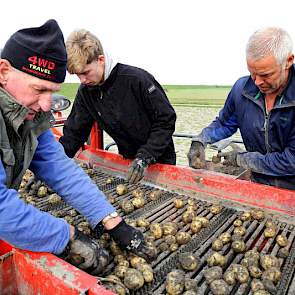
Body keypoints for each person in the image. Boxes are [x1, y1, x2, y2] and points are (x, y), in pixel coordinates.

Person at [0, 19, 154, 275]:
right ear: (3, 71)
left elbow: (59, 166)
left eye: (53, 91)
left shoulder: (30, 114)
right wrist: (67, 236)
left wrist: (110, 220)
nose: (47, 105)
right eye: (39, 89)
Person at [59, 29, 176, 184]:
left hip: (159, 161)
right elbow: (74, 133)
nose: (82, 80)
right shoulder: (86, 92)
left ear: (100, 60)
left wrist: (145, 156)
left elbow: (166, 119)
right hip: (127, 162)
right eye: (78, 75)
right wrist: (54, 166)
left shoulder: (136, 80)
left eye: (86, 72)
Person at [188, 27, 295, 190]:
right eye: (252, 73)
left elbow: (291, 160)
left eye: (266, 75)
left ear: (288, 61)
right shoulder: (242, 90)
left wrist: (243, 159)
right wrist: (201, 140)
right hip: (257, 183)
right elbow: (225, 124)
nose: (257, 82)